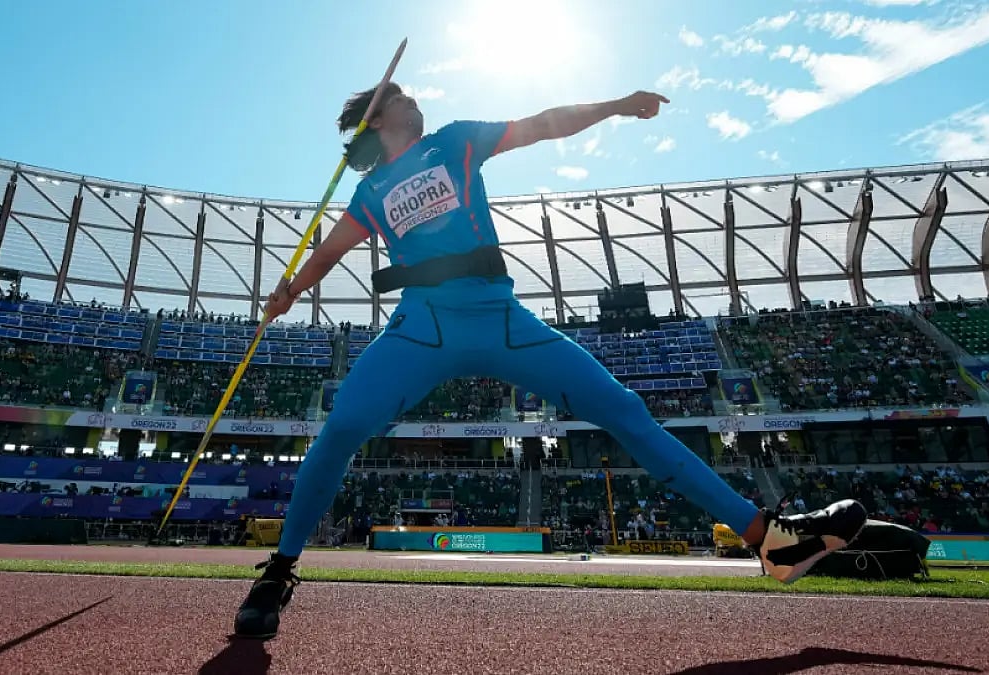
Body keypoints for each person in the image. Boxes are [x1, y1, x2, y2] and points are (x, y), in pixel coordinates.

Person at [233, 83, 867, 638]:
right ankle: (278, 574)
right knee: (343, 425)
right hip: (422, 325)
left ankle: (771, 541)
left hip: (502, 319)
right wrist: (290, 290)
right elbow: (329, 251)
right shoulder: (371, 190)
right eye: (402, 97)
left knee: (625, 410)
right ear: (377, 117)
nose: (416, 101)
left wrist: (616, 106)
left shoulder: (453, 141)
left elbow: (541, 125)